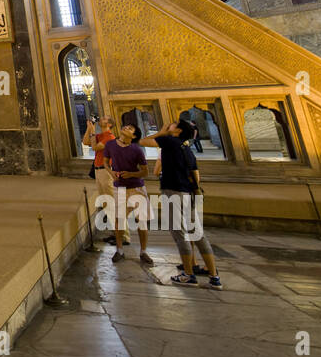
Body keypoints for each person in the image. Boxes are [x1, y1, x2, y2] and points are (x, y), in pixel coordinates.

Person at [140, 120, 221, 289]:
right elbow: (195, 176)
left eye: (172, 125)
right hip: (188, 194)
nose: (168, 125)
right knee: (197, 234)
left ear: (178, 131)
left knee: (180, 234)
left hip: (173, 191)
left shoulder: (169, 142)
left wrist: (162, 132)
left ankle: (189, 275)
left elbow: (142, 141)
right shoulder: (187, 149)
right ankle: (214, 276)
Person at [102, 122, 151, 264]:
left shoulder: (136, 150)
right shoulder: (111, 145)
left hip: (136, 188)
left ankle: (143, 251)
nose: (125, 128)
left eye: (130, 128)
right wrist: (111, 173)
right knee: (119, 219)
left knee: (141, 221)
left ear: (134, 136)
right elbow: (106, 162)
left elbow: (145, 172)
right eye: (125, 126)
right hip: (120, 187)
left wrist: (131, 174)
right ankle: (119, 250)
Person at [82, 116, 130, 245]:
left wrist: (92, 132)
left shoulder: (109, 137)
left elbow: (95, 148)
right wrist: (89, 129)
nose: (101, 119)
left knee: (112, 203)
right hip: (98, 170)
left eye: (104, 118)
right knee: (106, 203)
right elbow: (86, 142)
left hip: (106, 171)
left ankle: (124, 235)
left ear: (109, 124)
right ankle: (116, 232)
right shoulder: (100, 135)